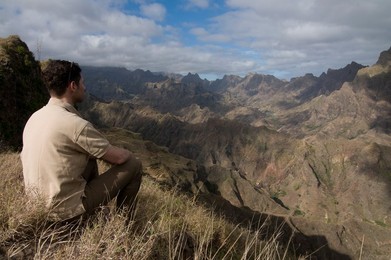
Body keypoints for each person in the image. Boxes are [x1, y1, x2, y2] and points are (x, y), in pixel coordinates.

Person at [21, 60, 142, 222]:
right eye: (82, 83)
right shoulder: (75, 124)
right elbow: (119, 158)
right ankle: (125, 225)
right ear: (73, 86)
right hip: (63, 213)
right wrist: (127, 153)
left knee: (90, 158)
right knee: (134, 164)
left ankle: (97, 211)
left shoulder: (34, 118)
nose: (84, 87)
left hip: (37, 206)